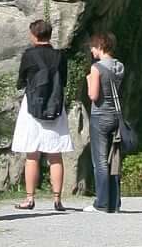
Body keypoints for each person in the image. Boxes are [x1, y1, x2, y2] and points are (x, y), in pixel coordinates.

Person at [11, 18, 77, 212]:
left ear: (34, 35)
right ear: (49, 35)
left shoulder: (29, 55)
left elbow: (21, 81)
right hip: (55, 106)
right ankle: (57, 199)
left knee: (32, 154)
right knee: (55, 155)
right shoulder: (59, 56)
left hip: (32, 107)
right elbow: (63, 81)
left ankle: (30, 198)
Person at [82, 30, 129, 214]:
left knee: (100, 161)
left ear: (100, 46)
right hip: (116, 117)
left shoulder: (97, 68)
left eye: (93, 47)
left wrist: (88, 81)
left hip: (100, 116)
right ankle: (114, 202)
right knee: (114, 160)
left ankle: (101, 203)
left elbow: (93, 95)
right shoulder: (119, 66)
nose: (92, 51)